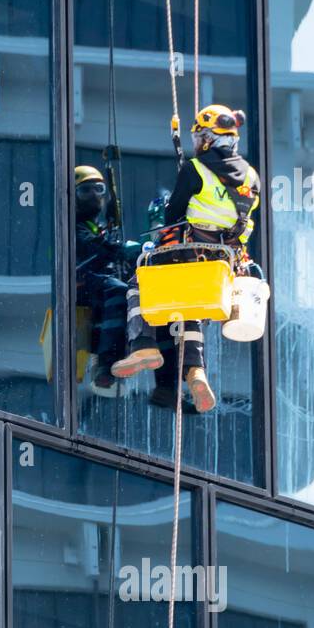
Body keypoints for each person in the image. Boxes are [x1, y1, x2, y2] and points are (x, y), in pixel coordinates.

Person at [111, 104, 262, 413]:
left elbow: (173, 215)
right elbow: (246, 223)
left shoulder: (195, 169)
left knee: (140, 275)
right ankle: (196, 372)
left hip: (190, 250)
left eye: (198, 138)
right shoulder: (252, 177)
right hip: (224, 261)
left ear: (207, 138)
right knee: (189, 302)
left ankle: (143, 346)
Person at [74, 165, 139, 388]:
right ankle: (107, 362)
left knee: (134, 292)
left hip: (96, 282)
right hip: (79, 282)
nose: (93, 195)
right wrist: (118, 249)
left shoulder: (96, 227)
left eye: (98, 189)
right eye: (85, 190)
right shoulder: (71, 226)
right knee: (119, 290)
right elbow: (93, 248)